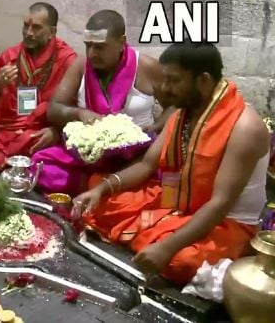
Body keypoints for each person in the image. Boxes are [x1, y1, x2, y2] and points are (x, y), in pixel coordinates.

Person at [73, 42, 269, 285]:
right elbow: (147, 165)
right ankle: (155, 238)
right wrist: (101, 189)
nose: (165, 89)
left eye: (174, 81)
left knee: (181, 261)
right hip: (175, 201)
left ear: (204, 80)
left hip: (225, 222)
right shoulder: (183, 113)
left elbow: (219, 204)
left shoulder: (245, 128)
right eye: (164, 80)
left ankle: (158, 243)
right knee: (98, 193)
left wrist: (167, 248)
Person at [32, 10, 174, 196]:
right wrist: (80, 113)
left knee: (160, 188)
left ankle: (97, 191)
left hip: (134, 159)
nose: (91, 53)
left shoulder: (147, 67)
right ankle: (96, 189)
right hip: (87, 156)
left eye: (99, 47)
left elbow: (175, 106)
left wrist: (155, 127)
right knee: (39, 166)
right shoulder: (81, 65)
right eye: (88, 46)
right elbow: (54, 109)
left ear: (121, 42)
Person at [0, 2, 77, 171]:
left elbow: (73, 109)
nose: (28, 33)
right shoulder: (10, 56)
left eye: (36, 28)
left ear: (52, 32)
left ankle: (2, 160)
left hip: (36, 132)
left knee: (35, 145)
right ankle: (6, 160)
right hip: (2, 131)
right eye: (26, 26)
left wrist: (56, 131)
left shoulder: (67, 60)